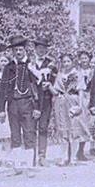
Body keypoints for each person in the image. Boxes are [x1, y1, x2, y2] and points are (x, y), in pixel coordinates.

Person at [0, 35, 41, 173]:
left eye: (21, 50)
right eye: (16, 50)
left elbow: (38, 88)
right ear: (13, 51)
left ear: (25, 50)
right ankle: (16, 166)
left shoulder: (31, 66)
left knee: (29, 133)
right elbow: (3, 88)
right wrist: (1, 109)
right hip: (13, 104)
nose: (18, 52)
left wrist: (37, 107)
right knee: (15, 135)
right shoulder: (9, 67)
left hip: (28, 103)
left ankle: (29, 166)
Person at [50, 54, 91, 165]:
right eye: (64, 62)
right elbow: (56, 91)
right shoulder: (60, 74)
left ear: (72, 62)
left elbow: (81, 91)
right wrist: (49, 86)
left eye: (68, 61)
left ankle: (73, 157)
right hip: (61, 102)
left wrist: (80, 106)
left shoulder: (78, 74)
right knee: (63, 130)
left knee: (74, 130)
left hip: (73, 101)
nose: (66, 64)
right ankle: (64, 157)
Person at [30, 37, 56, 167]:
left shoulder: (52, 64)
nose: (41, 50)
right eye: (39, 48)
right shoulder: (29, 63)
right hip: (32, 100)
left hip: (46, 99)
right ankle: (31, 156)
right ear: (35, 49)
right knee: (30, 128)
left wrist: (49, 85)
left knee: (43, 127)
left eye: (43, 48)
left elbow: (56, 81)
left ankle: (42, 156)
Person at [75, 50, 94, 161]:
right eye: (82, 58)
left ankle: (90, 147)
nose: (84, 60)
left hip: (90, 97)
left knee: (90, 123)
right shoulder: (76, 71)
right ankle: (78, 151)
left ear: (89, 59)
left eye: (86, 58)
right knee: (79, 123)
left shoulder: (92, 71)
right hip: (78, 98)